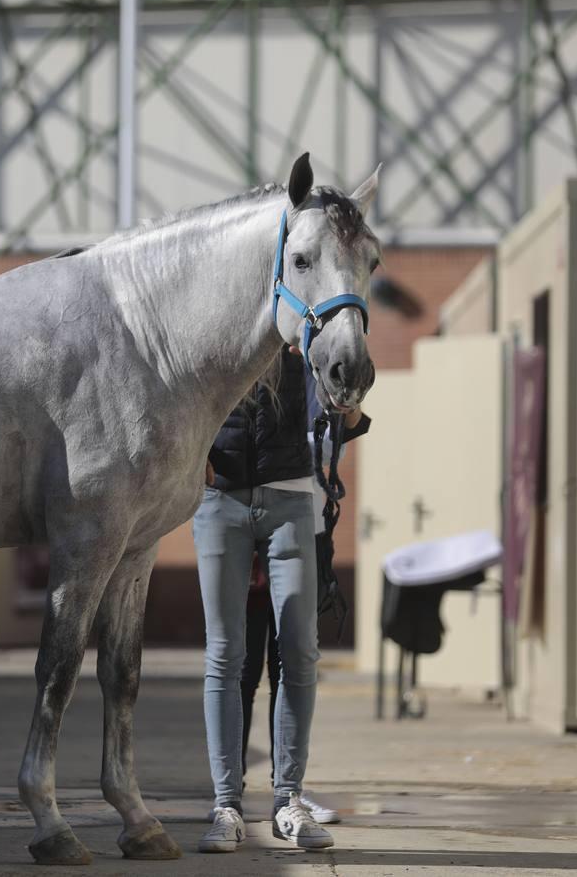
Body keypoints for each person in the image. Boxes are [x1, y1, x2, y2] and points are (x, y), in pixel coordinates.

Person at [194, 349, 367, 853]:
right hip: (222, 501)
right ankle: (227, 805)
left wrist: (347, 392)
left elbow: (347, 410)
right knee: (226, 656)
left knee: (299, 651)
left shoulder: (308, 338)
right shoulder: (217, 337)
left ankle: (287, 799)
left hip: (292, 499)